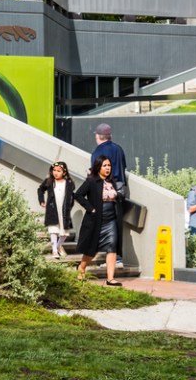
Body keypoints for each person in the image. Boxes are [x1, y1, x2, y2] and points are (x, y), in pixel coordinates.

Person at [74, 155, 126, 286]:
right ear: (98, 167)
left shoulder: (112, 182)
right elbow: (78, 195)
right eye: (105, 166)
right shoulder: (91, 181)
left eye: (109, 166)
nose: (108, 168)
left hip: (112, 219)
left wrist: (119, 195)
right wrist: (90, 208)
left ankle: (110, 278)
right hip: (96, 220)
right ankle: (82, 267)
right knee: (93, 249)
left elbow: (116, 197)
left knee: (112, 246)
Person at [90, 122, 128, 267]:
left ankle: (112, 258)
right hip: (120, 188)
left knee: (106, 223)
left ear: (98, 136)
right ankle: (117, 257)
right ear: (110, 135)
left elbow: (96, 172)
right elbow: (123, 167)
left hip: (106, 190)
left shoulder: (98, 151)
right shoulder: (118, 149)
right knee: (116, 222)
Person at [37, 161, 75, 258]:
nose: (56, 173)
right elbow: (40, 189)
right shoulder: (49, 181)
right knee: (53, 230)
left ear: (64, 172)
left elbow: (71, 195)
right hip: (52, 209)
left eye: (59, 171)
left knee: (64, 232)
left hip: (64, 211)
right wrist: (41, 200)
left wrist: (70, 205)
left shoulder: (69, 183)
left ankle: (58, 246)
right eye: (54, 170)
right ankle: (54, 251)